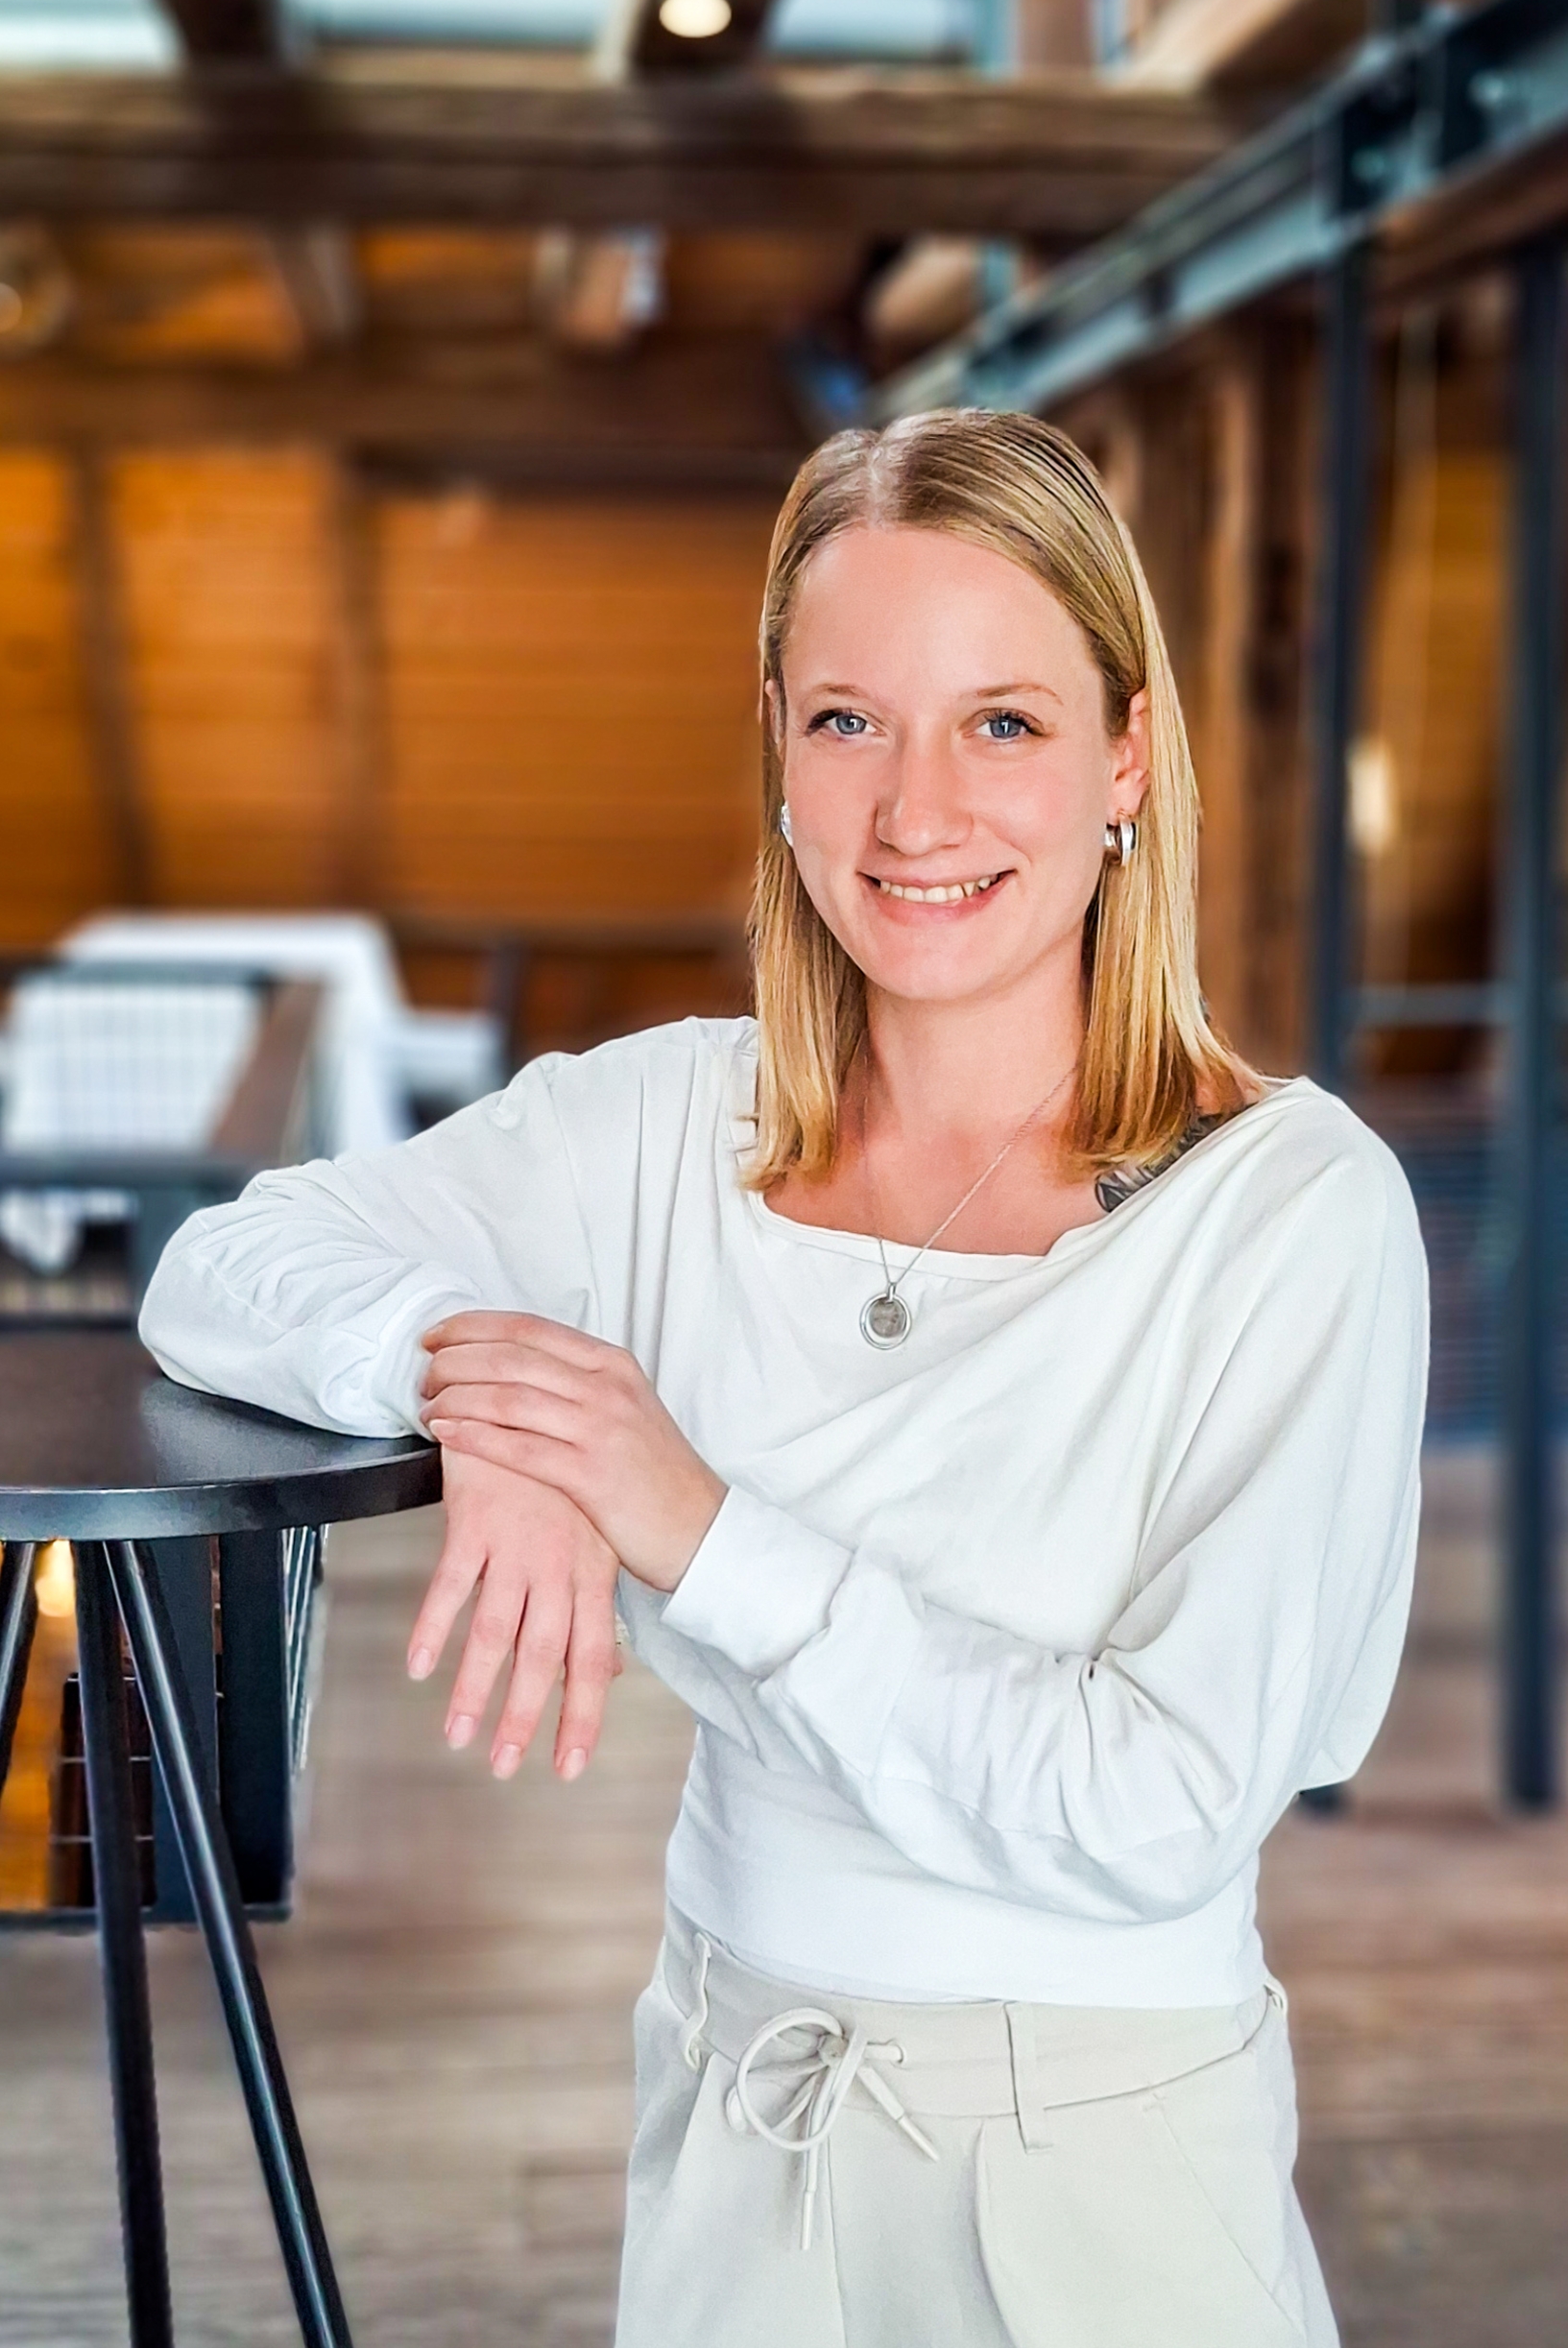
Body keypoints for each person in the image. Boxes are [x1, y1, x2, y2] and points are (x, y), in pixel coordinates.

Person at [140, 410, 1429, 2348]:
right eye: (847, 722)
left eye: (999, 722)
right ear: (776, 746)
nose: (915, 809)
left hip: (1102, 2166)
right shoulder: (669, 1123)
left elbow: (1156, 1809)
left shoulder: (1290, 1209)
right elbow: (224, 1267)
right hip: (739, 2107)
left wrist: (687, 1520)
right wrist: (490, 1380)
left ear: (1125, 756)